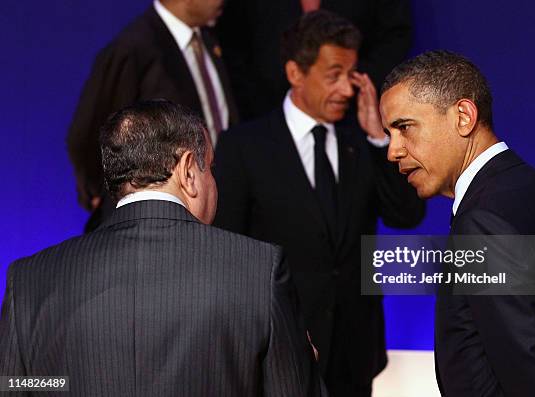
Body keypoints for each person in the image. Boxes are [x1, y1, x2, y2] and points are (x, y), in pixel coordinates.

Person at [0, 100, 322, 396]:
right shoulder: (259, 270)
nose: (213, 180)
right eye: (209, 167)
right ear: (186, 171)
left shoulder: (29, 281)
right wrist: (304, 365)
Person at [213, 11, 425, 396]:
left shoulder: (363, 143)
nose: (347, 89)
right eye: (334, 76)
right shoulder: (243, 148)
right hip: (275, 354)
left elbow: (407, 214)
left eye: (352, 74)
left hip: (354, 355)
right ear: (295, 73)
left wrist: (380, 141)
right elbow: (226, 253)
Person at [379, 50, 535, 396]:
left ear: (463, 116)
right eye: (388, 134)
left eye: (404, 128)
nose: (393, 151)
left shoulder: (484, 221)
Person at [67, 0, 238, 233]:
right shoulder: (134, 47)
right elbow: (88, 132)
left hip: (211, 212)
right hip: (150, 226)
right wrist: (98, 190)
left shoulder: (209, 40)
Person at [215, 0, 412, 120]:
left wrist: (348, 82)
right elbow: (232, 42)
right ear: (294, 73)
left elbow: (395, 36)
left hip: (352, 120)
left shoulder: (368, 141)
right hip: (261, 112)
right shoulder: (242, 148)